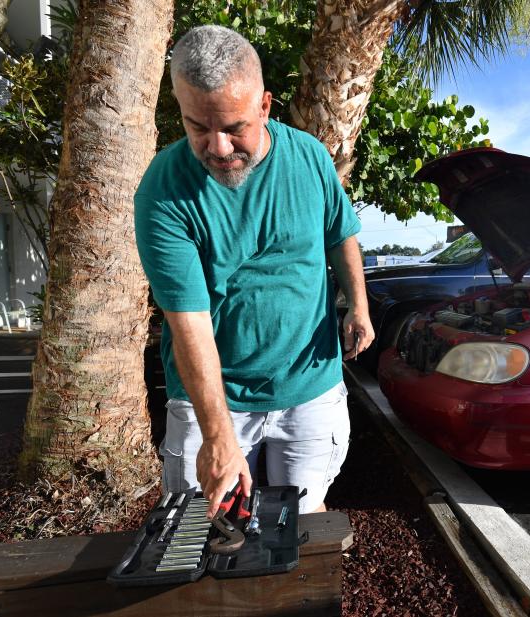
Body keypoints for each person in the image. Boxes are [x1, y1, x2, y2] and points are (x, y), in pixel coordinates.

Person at [134, 25, 373, 518]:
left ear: (265, 106)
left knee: (303, 521)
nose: (218, 148)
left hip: (310, 387)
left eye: (234, 127)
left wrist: (359, 306)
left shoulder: (308, 157)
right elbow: (189, 322)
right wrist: (218, 437)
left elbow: (340, 232)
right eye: (198, 127)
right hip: (212, 398)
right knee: (197, 529)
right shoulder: (163, 189)